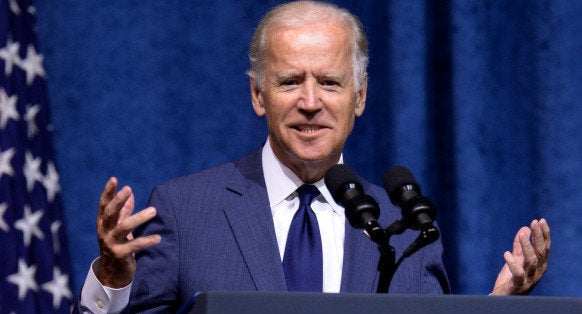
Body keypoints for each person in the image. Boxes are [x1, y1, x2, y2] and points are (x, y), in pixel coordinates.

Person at [77, 1, 551, 312]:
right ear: (258, 95)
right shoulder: (187, 209)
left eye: (329, 82)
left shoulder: (403, 226)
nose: (310, 102)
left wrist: (497, 307)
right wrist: (114, 280)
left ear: (360, 97)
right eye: (289, 81)